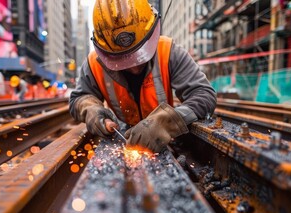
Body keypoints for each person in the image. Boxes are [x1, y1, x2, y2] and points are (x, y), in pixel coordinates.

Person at [69, 0, 217, 153]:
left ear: (151, 35)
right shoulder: (94, 64)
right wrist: (92, 110)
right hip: (123, 137)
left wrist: (166, 122)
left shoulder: (168, 51)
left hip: (165, 142)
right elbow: (78, 99)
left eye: (139, 56)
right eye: (121, 60)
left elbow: (204, 95)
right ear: (104, 51)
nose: (133, 68)